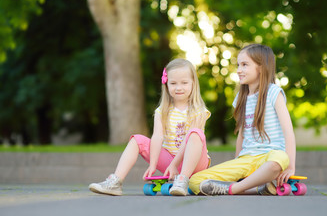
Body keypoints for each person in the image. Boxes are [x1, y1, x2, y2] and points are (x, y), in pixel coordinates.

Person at [89, 58, 211, 196]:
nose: (178, 87)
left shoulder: (198, 111)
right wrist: (153, 164)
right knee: (137, 140)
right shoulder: (162, 111)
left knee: (194, 133)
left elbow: (189, 141)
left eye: (184, 83)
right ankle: (115, 182)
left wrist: (174, 164)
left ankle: (182, 180)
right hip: (170, 161)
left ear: (193, 84)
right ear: (166, 84)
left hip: (195, 163)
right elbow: (157, 137)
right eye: (173, 83)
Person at [189, 44, 296, 196]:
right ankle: (258, 188)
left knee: (280, 158)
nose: (239, 70)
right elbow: (241, 134)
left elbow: (288, 131)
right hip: (247, 159)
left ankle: (234, 189)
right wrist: (236, 165)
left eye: (245, 65)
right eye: (238, 65)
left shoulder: (274, 93)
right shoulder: (241, 97)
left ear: (261, 67)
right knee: (194, 181)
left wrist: (290, 166)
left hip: (270, 157)